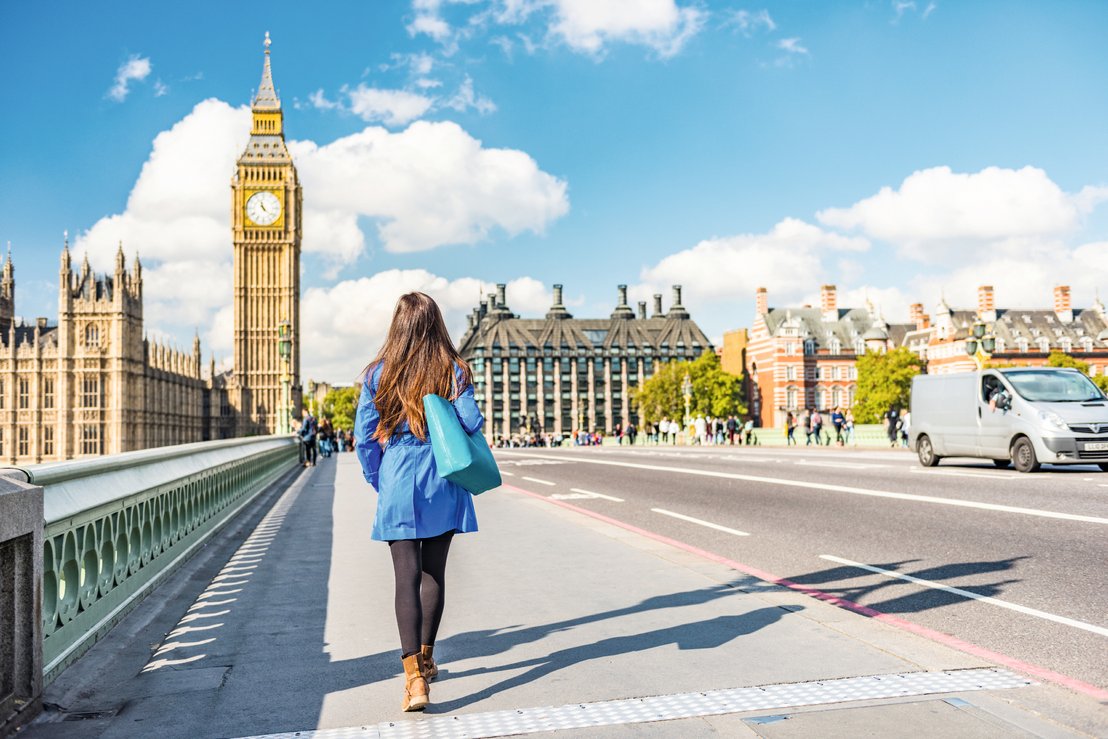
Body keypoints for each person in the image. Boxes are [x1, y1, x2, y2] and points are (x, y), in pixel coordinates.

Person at [354, 292, 484, 713]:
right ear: (436, 325)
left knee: (404, 578)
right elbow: (471, 422)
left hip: (398, 475)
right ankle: (427, 661)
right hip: (441, 477)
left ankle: (413, 681)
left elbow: (363, 439)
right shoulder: (453, 369)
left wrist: (381, 480)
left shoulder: (378, 373)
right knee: (433, 575)